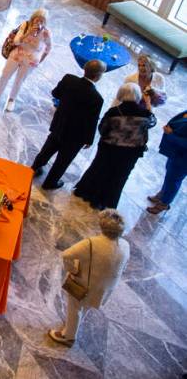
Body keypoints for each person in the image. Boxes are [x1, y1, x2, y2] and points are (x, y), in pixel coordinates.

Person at [48, 210, 129, 347]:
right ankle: (74, 325)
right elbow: (124, 266)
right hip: (105, 287)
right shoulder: (125, 245)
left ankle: (68, 336)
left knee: (74, 308)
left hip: (84, 285)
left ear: (103, 227)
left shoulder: (91, 243)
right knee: (86, 307)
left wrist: (73, 270)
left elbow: (66, 255)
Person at [73, 83, 156, 210]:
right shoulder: (144, 114)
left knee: (99, 169)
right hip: (131, 153)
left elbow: (102, 129)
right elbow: (152, 123)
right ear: (138, 95)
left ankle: (88, 193)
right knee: (119, 177)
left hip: (109, 148)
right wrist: (148, 104)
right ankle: (107, 201)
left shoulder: (114, 112)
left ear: (121, 94)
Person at [32, 60, 106, 190]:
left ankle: (34, 168)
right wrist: (89, 140)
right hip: (75, 136)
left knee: (48, 148)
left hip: (60, 124)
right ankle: (50, 182)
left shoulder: (69, 79)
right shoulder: (97, 98)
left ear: (85, 70)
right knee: (63, 160)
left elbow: (55, 93)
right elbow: (92, 121)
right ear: (98, 76)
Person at [0, 8, 53, 112]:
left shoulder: (46, 33)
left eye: (42, 21)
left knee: (19, 80)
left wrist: (39, 61)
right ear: (33, 19)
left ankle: (11, 100)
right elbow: (16, 42)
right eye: (37, 20)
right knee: (5, 75)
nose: (39, 23)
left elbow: (49, 48)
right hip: (17, 54)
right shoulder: (25, 25)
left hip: (31, 61)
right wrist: (28, 33)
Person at [147, 109, 187, 214]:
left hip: (183, 159)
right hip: (176, 153)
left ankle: (164, 203)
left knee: (174, 180)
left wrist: (171, 134)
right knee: (169, 176)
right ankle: (163, 194)